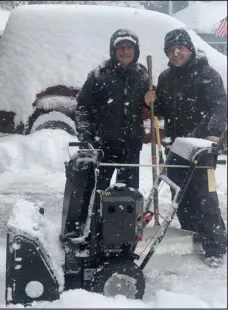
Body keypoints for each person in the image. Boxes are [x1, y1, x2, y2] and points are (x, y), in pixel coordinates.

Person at [145, 28, 227, 267]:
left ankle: (215, 244)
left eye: (180, 48)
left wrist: (213, 132)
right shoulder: (166, 78)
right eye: (171, 49)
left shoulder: (208, 74)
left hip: (201, 145)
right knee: (180, 194)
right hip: (177, 145)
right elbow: (161, 110)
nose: (176, 52)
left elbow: (220, 106)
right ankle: (195, 234)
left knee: (205, 195)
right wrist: (151, 101)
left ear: (189, 49)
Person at [75, 29, 150, 190]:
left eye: (129, 47)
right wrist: (85, 136)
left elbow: (150, 107)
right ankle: (97, 215)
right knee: (98, 193)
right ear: (113, 50)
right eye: (121, 47)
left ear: (135, 51)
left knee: (128, 195)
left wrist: (150, 102)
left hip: (131, 147)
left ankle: (125, 216)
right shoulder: (99, 74)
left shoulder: (142, 75)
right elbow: (83, 106)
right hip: (102, 146)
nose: (125, 51)